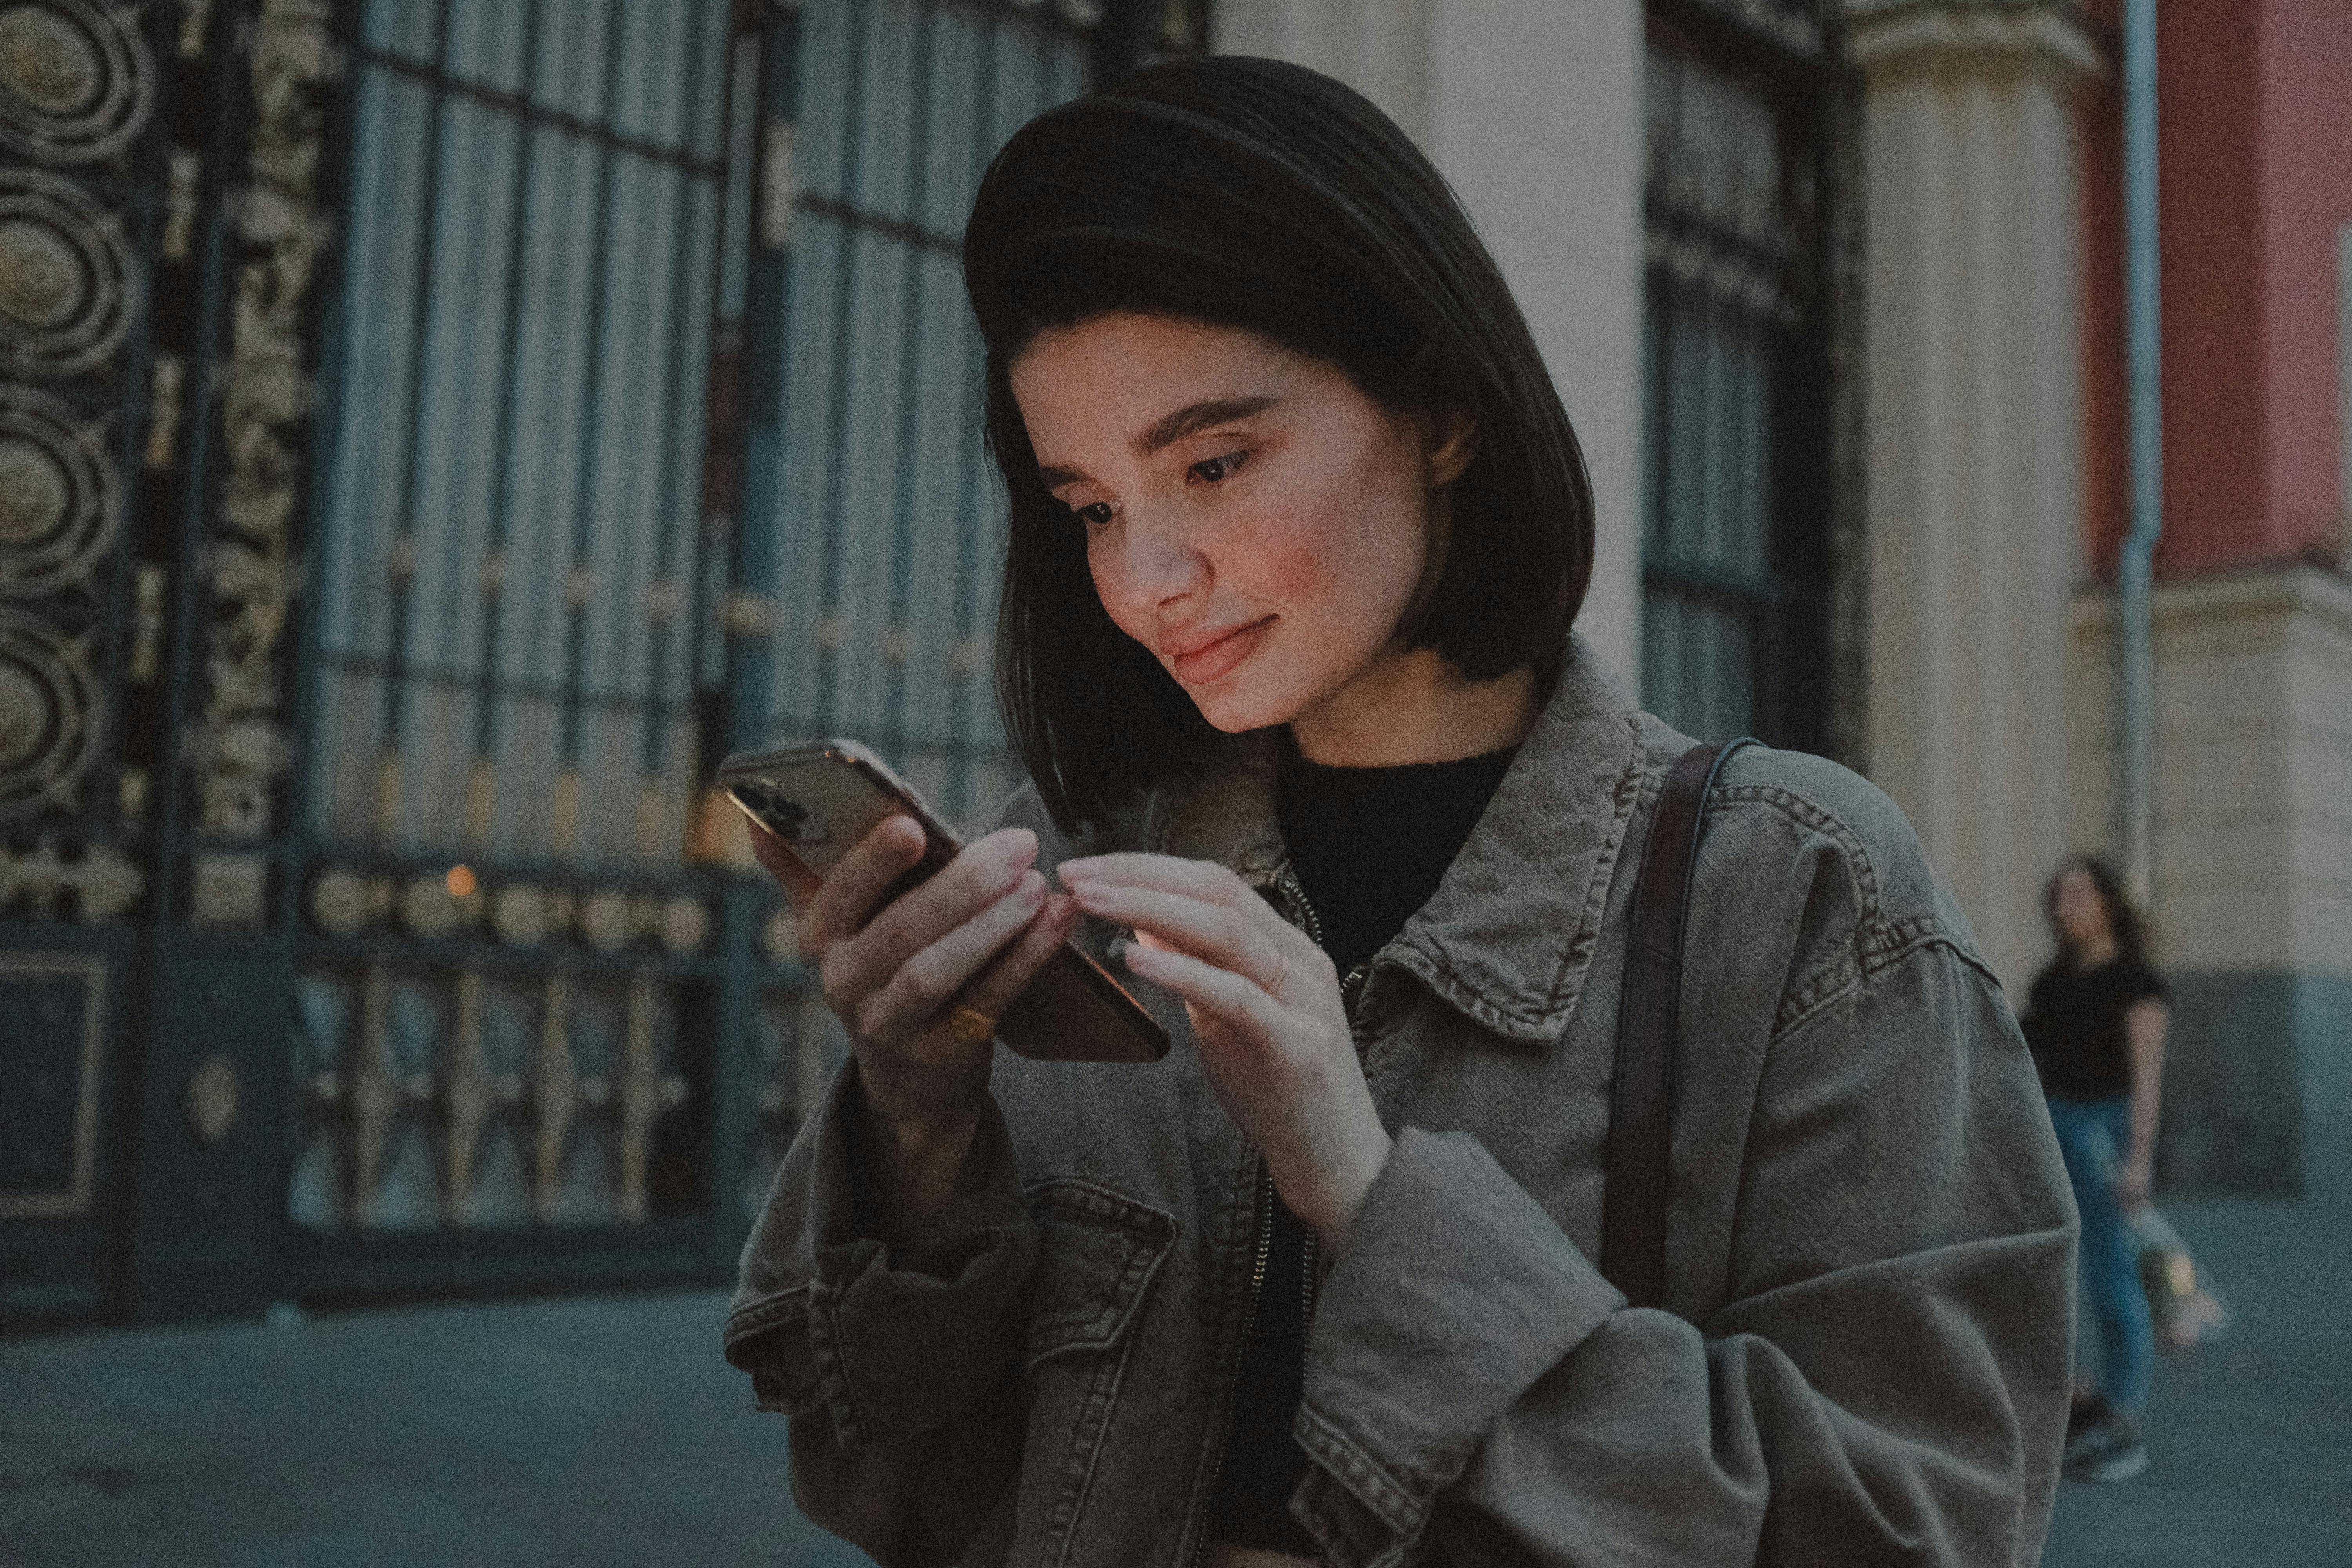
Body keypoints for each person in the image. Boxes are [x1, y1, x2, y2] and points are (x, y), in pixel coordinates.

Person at [724, 57, 2076, 1568]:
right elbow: (884, 1491)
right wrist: (916, 1120)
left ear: (1439, 409)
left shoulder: (1799, 895)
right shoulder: (1089, 873)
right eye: (1092, 508)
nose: (1148, 576)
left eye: (1215, 463)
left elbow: (1922, 1528)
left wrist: (1371, 1204)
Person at [2020, 854, 2170, 1484]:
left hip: (2104, 1134)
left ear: (2108, 903)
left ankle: (2125, 1426)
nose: (2065, 907)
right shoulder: (2051, 982)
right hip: (2049, 1126)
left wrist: (2139, 1160)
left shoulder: (2137, 983)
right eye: (2058, 897)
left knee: (2112, 1277)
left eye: (2078, 895)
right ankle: (2078, 1400)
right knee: (2041, 1270)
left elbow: (2147, 1081)